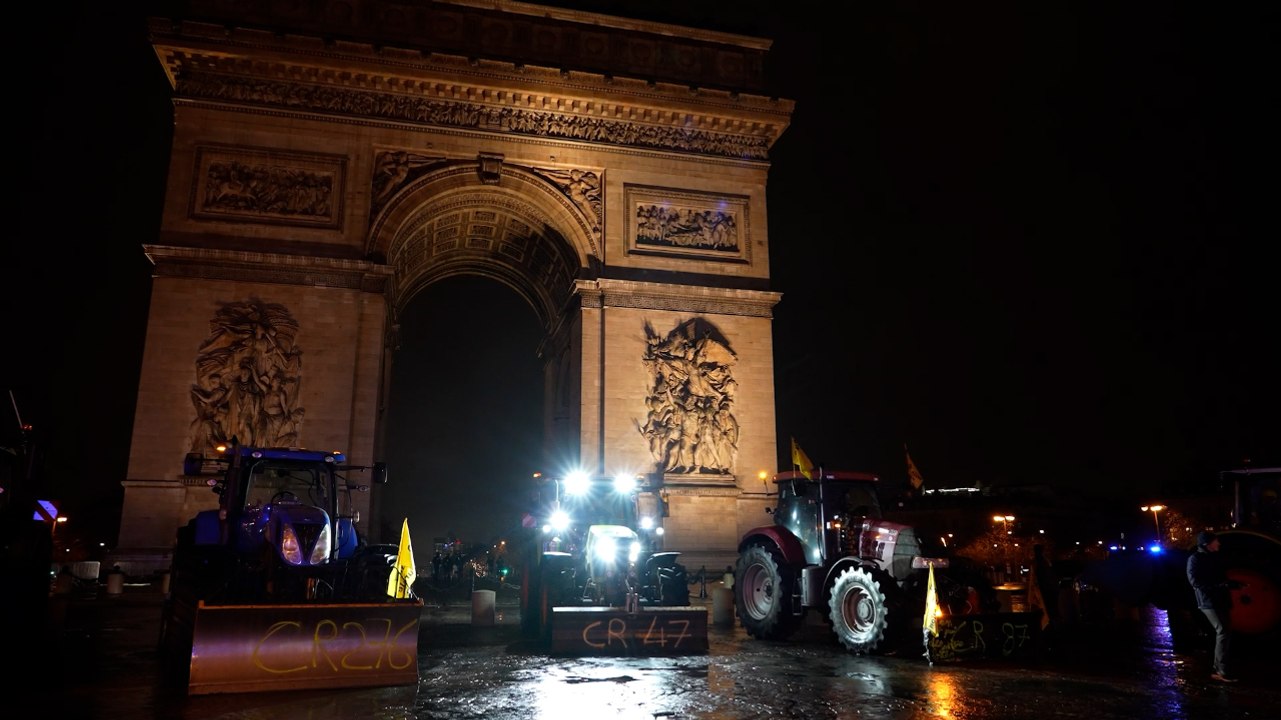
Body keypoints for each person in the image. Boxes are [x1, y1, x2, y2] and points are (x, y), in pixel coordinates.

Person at [1186, 530, 1241, 683]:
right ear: (1207, 544)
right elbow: (1195, 582)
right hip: (1208, 602)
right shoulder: (1195, 559)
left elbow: (1220, 579)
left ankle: (1219, 667)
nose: (1219, 543)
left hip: (1221, 600)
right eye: (1216, 541)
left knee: (1225, 631)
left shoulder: (1214, 557)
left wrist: (1232, 584)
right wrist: (1220, 585)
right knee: (1222, 630)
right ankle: (1221, 671)